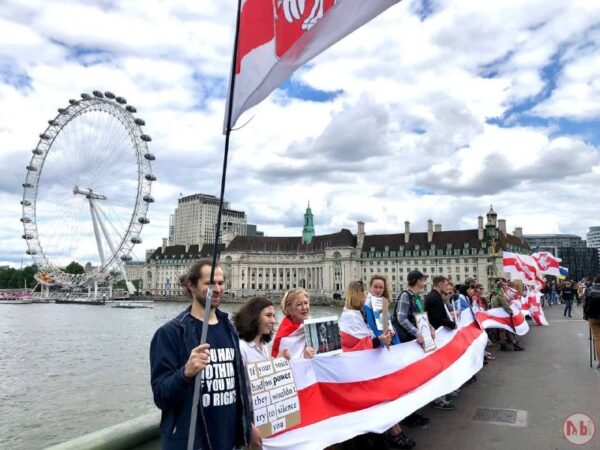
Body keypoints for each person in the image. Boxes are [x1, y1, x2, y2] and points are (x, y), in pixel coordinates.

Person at [150, 260, 252, 450]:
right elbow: (160, 396)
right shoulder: (170, 333)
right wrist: (185, 374)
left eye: (221, 283)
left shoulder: (229, 328)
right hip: (194, 444)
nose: (218, 289)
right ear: (191, 285)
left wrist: (248, 425)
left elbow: (240, 387)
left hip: (230, 443)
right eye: (210, 284)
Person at [339, 281, 414, 449]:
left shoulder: (362, 313)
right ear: (356, 295)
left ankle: (393, 432)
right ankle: (393, 434)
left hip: (370, 365)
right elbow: (353, 344)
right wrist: (378, 339)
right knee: (381, 399)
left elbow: (371, 335)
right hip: (361, 369)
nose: (367, 296)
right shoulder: (352, 316)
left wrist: (386, 335)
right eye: (365, 293)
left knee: (384, 397)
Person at [233, 296, 278, 448]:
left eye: (274, 316)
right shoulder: (242, 348)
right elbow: (237, 390)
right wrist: (248, 425)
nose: (273, 321)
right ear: (254, 317)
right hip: (250, 422)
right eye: (268, 315)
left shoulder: (264, 346)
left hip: (265, 418)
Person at [424, 276, 457, 410]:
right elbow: (438, 319)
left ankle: (442, 394)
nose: (447, 286)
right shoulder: (435, 297)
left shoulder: (432, 296)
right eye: (445, 284)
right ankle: (438, 399)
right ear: (440, 284)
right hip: (437, 335)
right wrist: (452, 324)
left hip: (435, 334)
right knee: (439, 368)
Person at [271, 288, 315, 359]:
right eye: (299, 304)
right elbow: (284, 368)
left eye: (306, 303)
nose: (304, 308)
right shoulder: (284, 339)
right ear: (289, 310)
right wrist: (305, 359)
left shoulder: (315, 327)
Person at [364, 275, 400, 346]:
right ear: (370, 287)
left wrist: (392, 331)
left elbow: (387, 324)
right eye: (375, 287)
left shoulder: (383, 303)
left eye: (381, 287)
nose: (378, 290)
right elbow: (371, 327)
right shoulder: (366, 305)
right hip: (378, 344)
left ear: (384, 290)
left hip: (387, 341)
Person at [490, 279, 524, 352]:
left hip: (499, 314)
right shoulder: (500, 294)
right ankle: (506, 345)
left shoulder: (498, 293)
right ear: (501, 287)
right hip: (501, 315)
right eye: (505, 286)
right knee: (504, 330)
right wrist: (511, 312)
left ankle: (512, 344)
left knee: (507, 330)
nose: (506, 287)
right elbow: (505, 305)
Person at [583, 275, 600, 369]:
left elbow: (585, 304)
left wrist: (586, 317)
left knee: (597, 338)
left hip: (593, 317)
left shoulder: (589, 290)